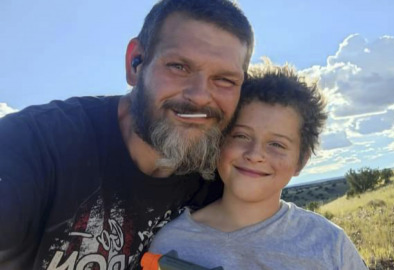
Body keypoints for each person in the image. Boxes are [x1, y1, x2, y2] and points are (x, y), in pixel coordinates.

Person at [0, 0, 253, 269]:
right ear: (135, 63)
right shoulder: (34, 145)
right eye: (179, 66)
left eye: (225, 79)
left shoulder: (224, 173)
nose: (201, 96)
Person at [147, 61, 368, 269]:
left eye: (277, 144)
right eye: (241, 136)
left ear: (301, 161)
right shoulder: (172, 243)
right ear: (219, 143)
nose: (255, 154)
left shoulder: (329, 244)